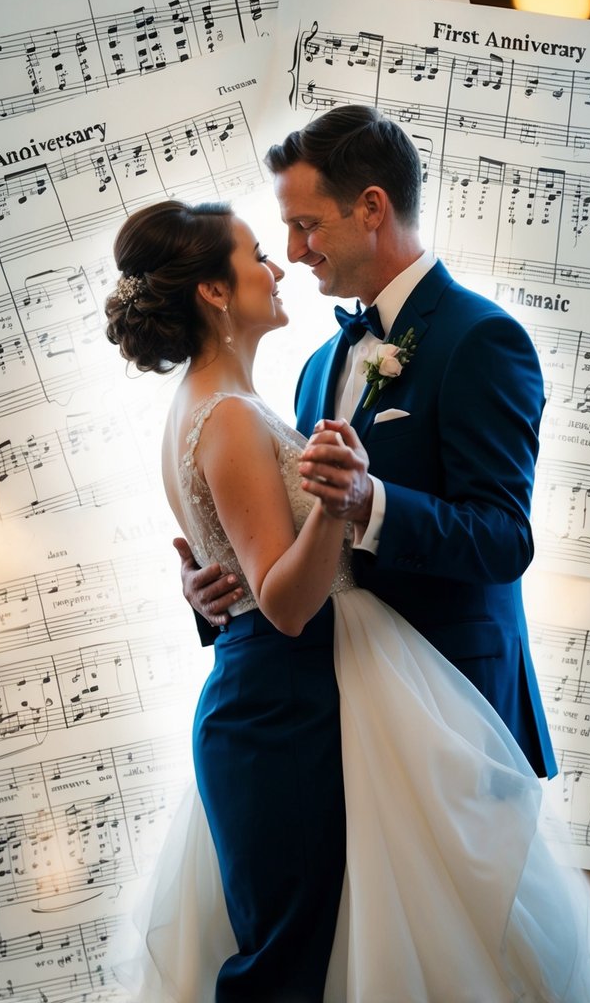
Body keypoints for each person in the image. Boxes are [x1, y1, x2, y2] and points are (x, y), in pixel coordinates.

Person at [106, 198, 590, 1003]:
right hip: (288, 705)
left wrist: (231, 569)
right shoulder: (235, 413)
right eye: (256, 254)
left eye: (296, 232)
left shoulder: (247, 398)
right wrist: (336, 502)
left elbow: (245, 561)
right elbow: (283, 599)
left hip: (345, 697)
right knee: (297, 961)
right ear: (213, 292)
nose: (281, 262)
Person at [179, 104, 556, 781]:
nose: (293, 251)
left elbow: (503, 539)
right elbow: (294, 550)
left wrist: (368, 500)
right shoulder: (319, 365)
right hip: (340, 721)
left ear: (372, 207)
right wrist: (221, 592)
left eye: (305, 225)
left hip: (461, 716)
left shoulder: (480, 339)